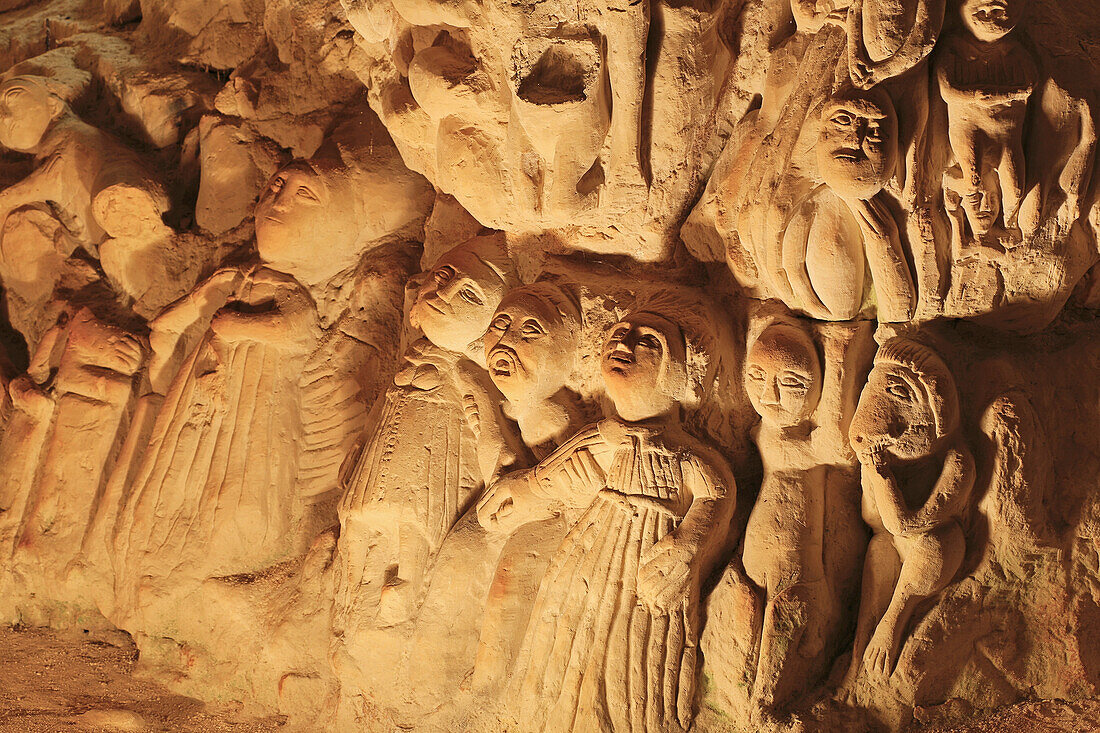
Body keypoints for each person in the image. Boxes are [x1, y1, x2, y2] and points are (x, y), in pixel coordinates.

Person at [477, 293, 736, 733]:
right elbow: (551, 478)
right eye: (618, 335)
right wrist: (517, 495)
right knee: (566, 627)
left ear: (676, 374)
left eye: (648, 342)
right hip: (590, 554)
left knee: (633, 647)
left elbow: (717, 495)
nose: (625, 345)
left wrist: (689, 544)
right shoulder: (602, 437)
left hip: (649, 561)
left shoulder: (686, 454)